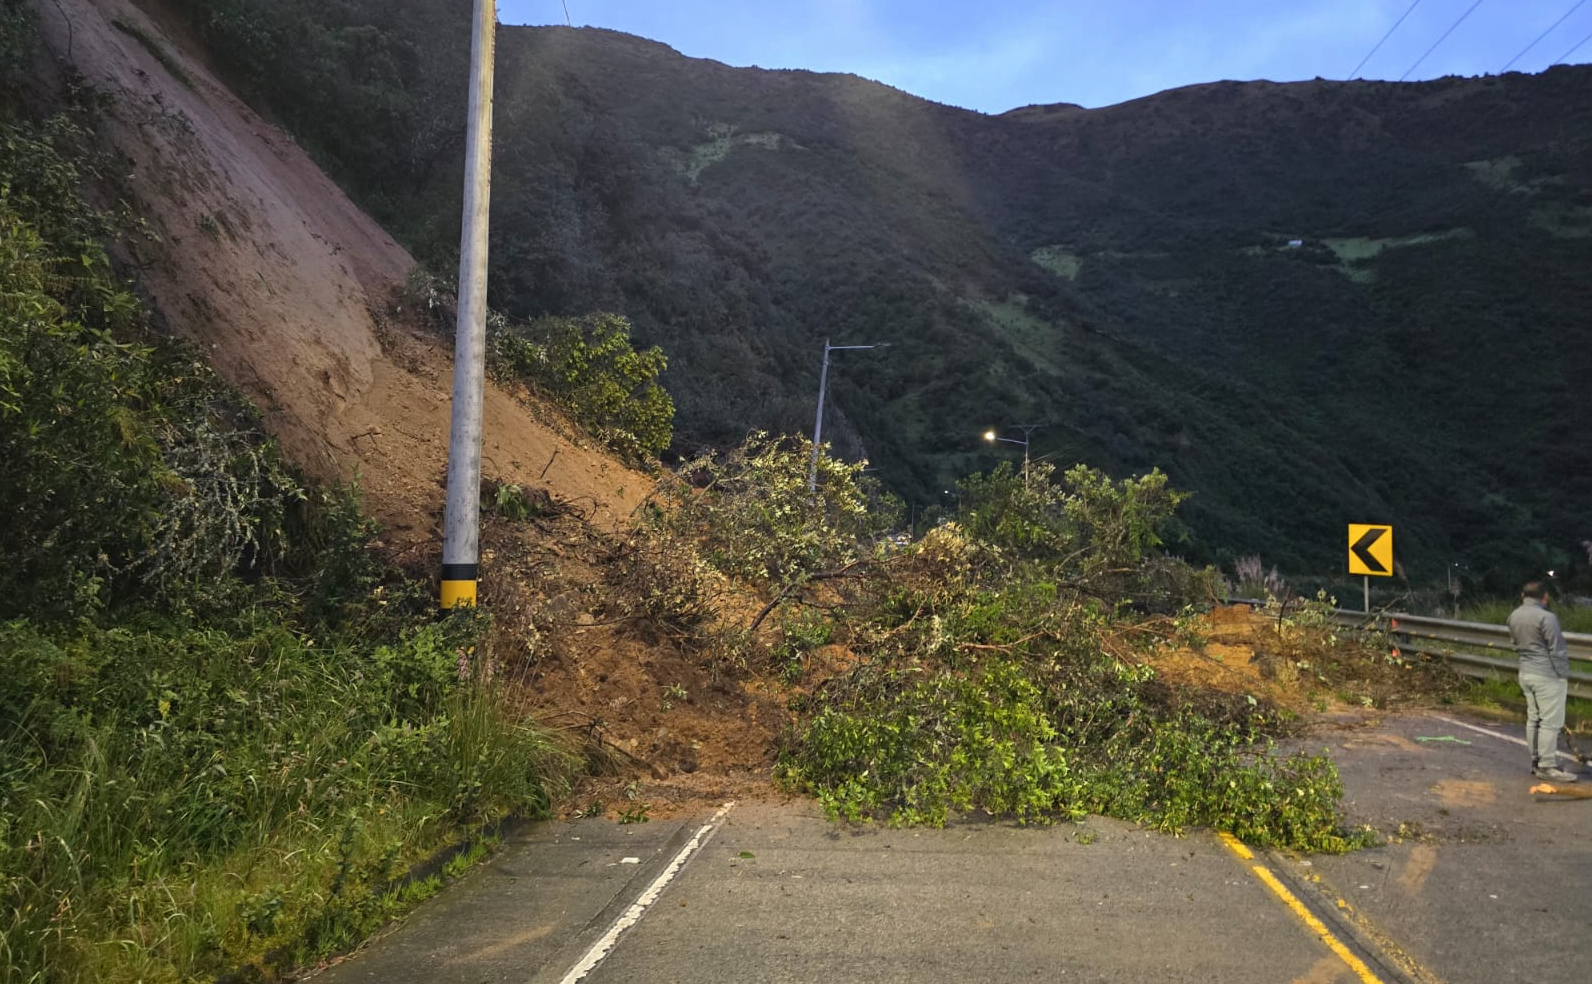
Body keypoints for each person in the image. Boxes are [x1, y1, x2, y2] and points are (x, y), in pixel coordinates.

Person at [1506, 581, 1578, 782]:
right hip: (1546, 675)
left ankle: (1536, 762)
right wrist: (1563, 674)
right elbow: (1557, 649)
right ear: (1545, 597)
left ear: (1523, 596)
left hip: (1526, 672)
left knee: (1534, 719)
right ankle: (1547, 766)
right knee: (1550, 722)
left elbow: (1514, 642)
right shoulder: (1547, 617)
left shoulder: (1513, 616)